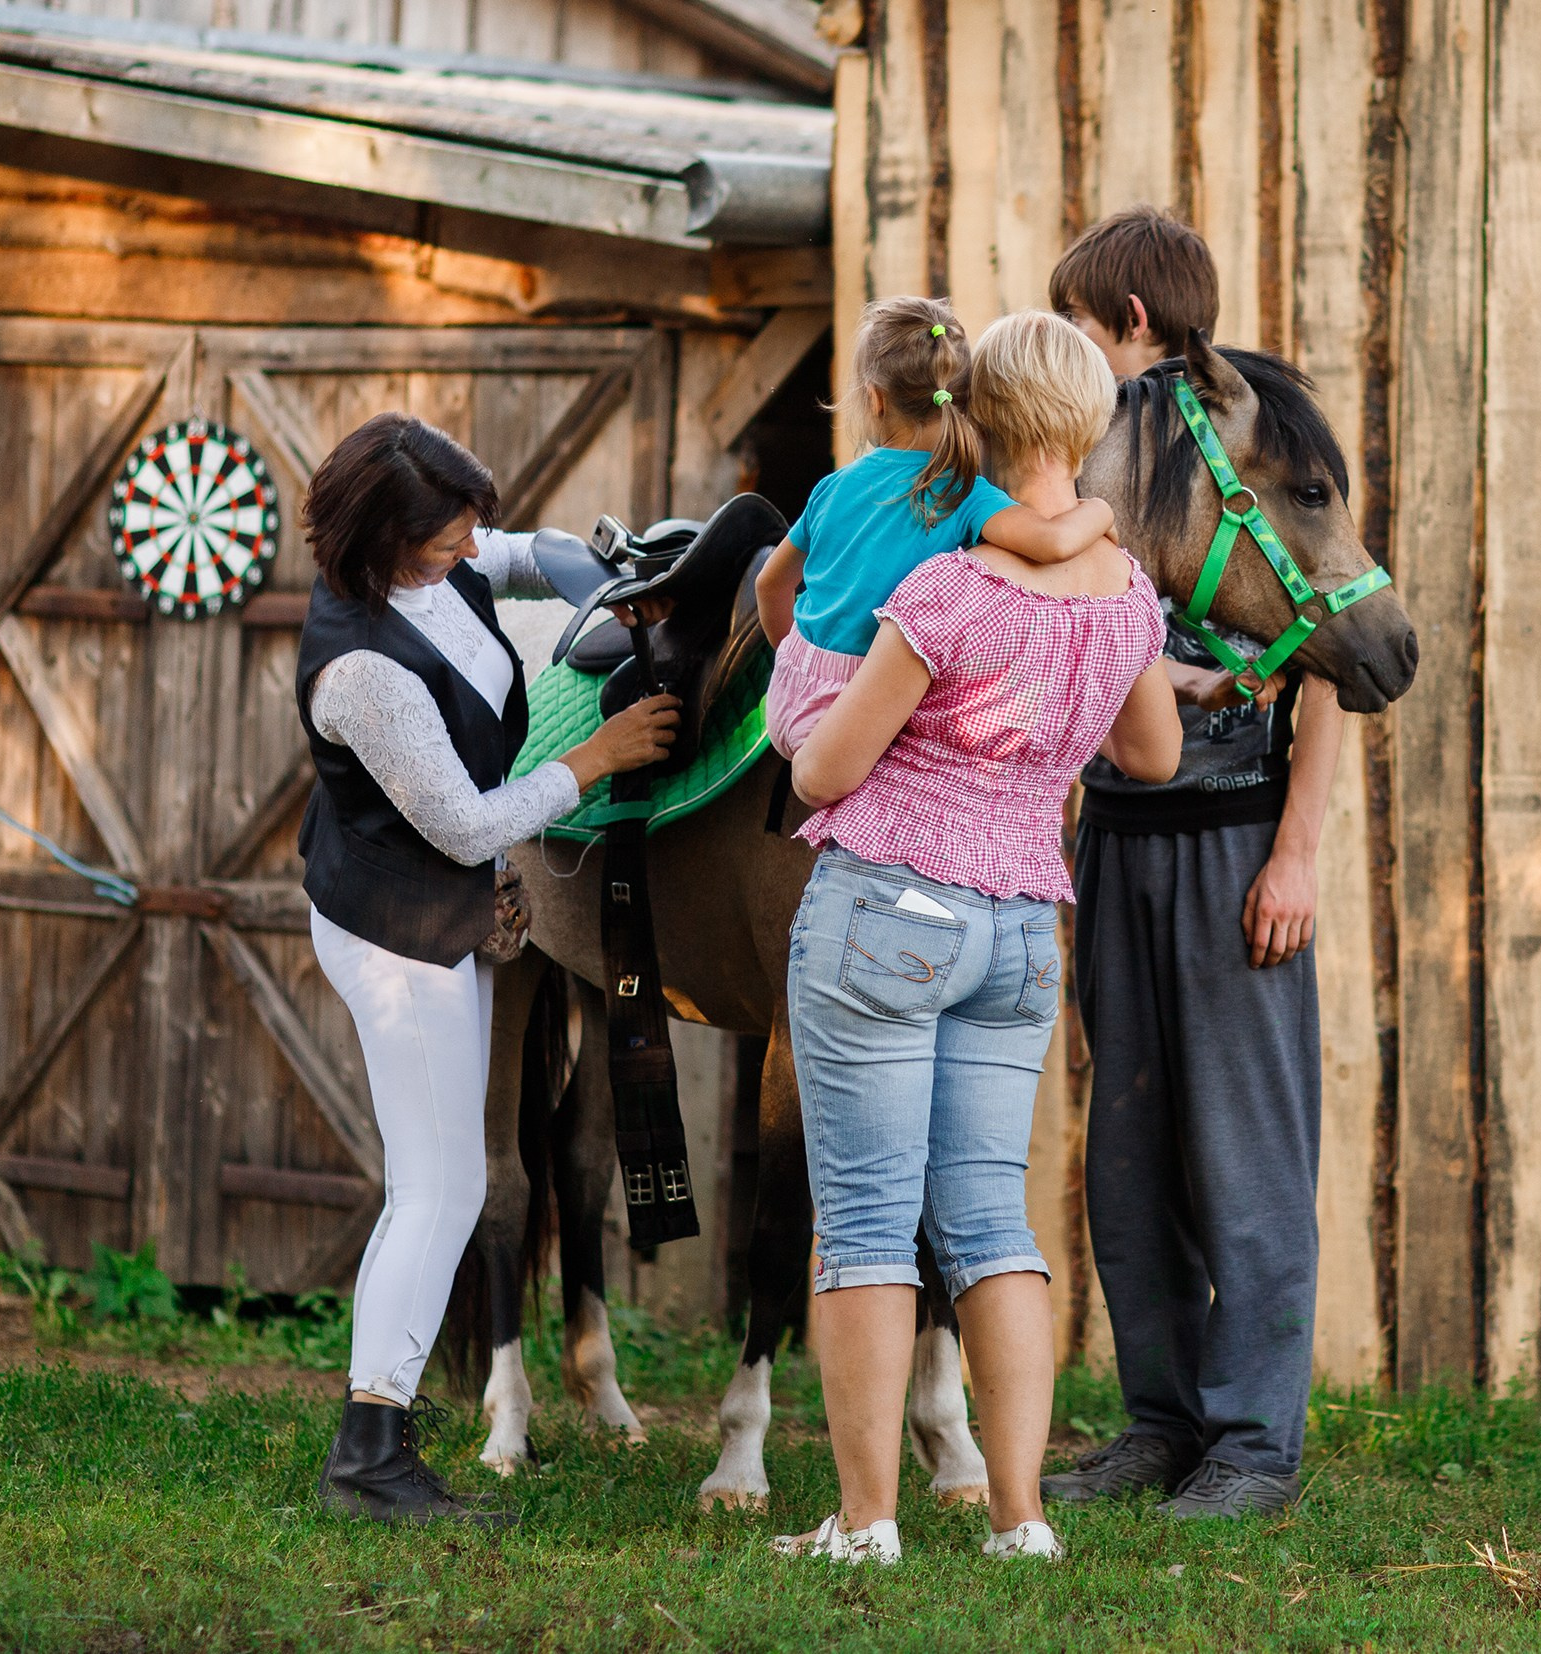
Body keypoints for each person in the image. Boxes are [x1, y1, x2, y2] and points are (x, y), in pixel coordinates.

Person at [771, 313, 1184, 1564]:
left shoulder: (944, 589)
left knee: (862, 1220)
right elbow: (1152, 755)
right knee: (991, 1221)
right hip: (1018, 930)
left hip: (887, 912)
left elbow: (822, 773)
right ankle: (1020, 1518)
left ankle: (866, 1521)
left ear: (975, 421)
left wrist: (803, 726)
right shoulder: (1124, 594)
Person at [296, 413, 679, 1525]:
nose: (471, 551)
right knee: (442, 1187)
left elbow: (524, 555)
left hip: (437, 921)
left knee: (440, 1184)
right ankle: (370, 1457)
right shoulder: (360, 668)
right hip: (395, 937)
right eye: (447, 539)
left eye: (470, 528)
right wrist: (593, 759)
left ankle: (376, 1441)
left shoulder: (434, 566)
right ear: (384, 539)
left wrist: (610, 576)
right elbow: (466, 828)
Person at [1041, 206, 1348, 1519]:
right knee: (1131, 1154)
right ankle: (1159, 1422)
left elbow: (1333, 655)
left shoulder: (1269, 447)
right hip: (1118, 840)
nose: (1066, 344)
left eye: (1076, 322)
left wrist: (1296, 855)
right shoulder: (1085, 454)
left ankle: (1254, 1448)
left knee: (1247, 1159)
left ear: (1131, 325)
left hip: (1235, 852)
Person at [756, 295, 1118, 755]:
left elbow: (771, 584)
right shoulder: (965, 495)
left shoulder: (833, 486)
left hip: (792, 691)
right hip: (863, 709)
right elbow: (1055, 542)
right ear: (965, 400)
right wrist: (1102, 511)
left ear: (874, 398)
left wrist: (798, 662)